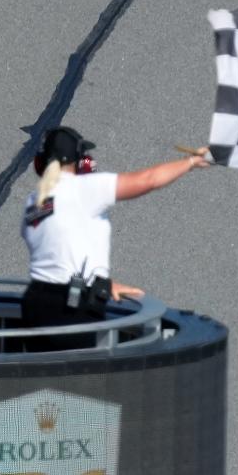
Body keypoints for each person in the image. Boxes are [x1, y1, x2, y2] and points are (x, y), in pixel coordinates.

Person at [21, 126, 209, 351]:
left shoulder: (34, 202)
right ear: (79, 160)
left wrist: (100, 283)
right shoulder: (82, 189)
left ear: (40, 162)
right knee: (82, 381)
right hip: (73, 310)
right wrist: (190, 162)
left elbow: (60, 253)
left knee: (42, 377)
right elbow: (148, 180)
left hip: (36, 304)